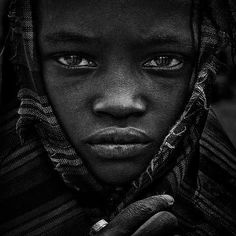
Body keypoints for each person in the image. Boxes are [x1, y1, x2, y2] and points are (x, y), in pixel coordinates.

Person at [0, 0, 236, 235]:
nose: (120, 103)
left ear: (198, 70)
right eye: (73, 59)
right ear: (30, 61)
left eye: (163, 60)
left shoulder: (218, 173)